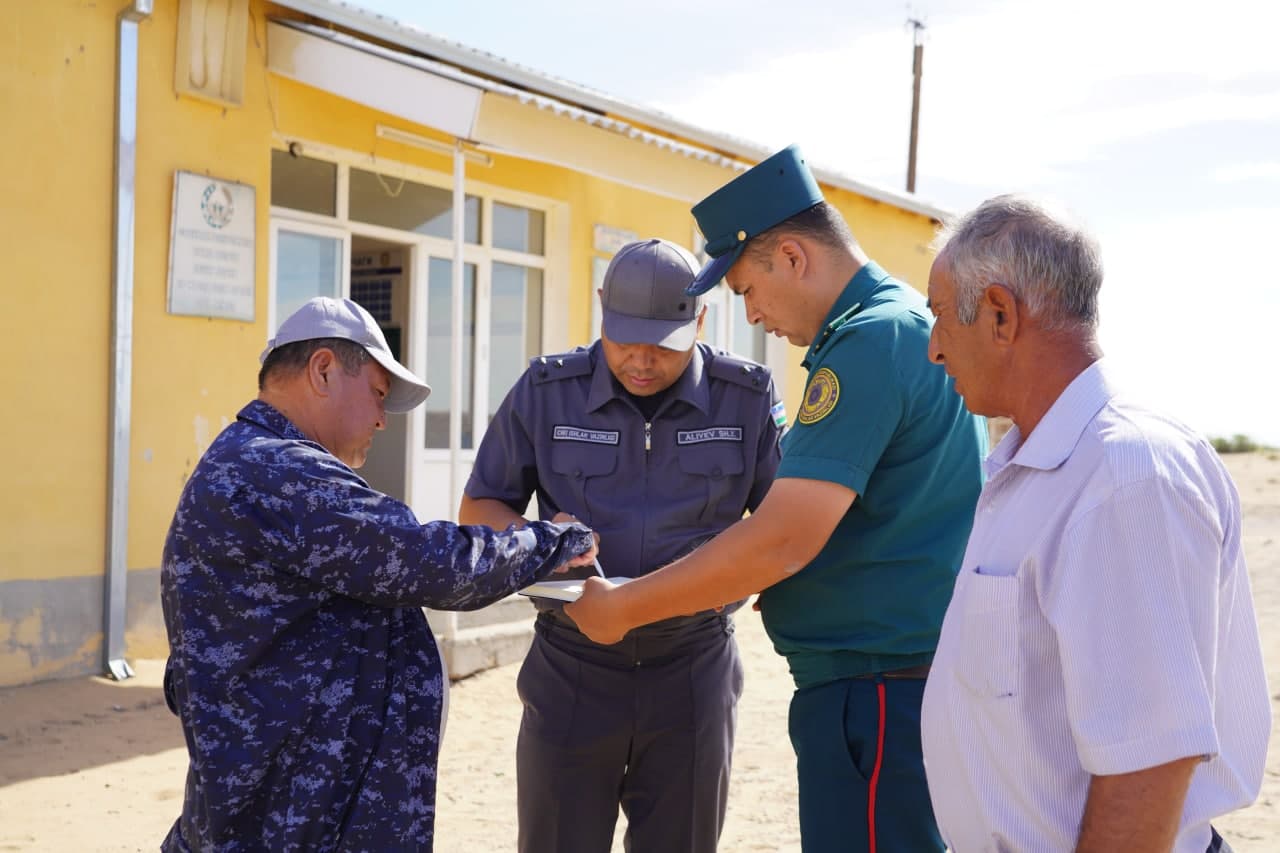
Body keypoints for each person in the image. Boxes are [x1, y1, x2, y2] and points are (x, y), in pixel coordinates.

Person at [566, 146, 988, 853]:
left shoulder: (869, 342)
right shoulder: (899, 325)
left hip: (876, 692)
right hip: (888, 686)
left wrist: (623, 607)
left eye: (745, 291)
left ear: (792, 256)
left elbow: (782, 537)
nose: (754, 317)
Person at [159, 296, 596, 852]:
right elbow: (433, 565)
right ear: (322, 370)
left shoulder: (250, 460)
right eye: (377, 394)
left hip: (282, 804)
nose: (381, 420)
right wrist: (554, 539)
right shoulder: (280, 470)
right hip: (288, 820)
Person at [917, 195, 1270, 853]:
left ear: (999, 314)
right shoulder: (1041, 466)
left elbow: (1148, 763)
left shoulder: (1124, 478)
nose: (935, 349)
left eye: (940, 317)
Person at [458, 238, 784, 853]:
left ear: (700, 321)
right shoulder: (547, 390)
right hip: (571, 667)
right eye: (624, 337)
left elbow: (779, 528)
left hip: (693, 670)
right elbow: (481, 506)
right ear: (602, 308)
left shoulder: (744, 399)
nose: (640, 360)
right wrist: (543, 544)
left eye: (663, 342)